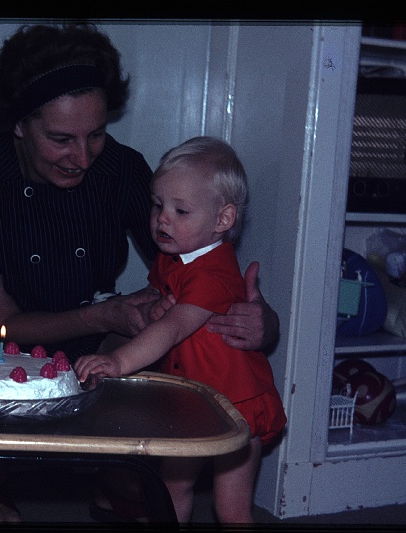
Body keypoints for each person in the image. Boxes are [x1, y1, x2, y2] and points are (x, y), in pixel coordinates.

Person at [0, 23, 280, 523]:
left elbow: (202, 256)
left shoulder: (121, 170)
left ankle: (115, 477)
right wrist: (108, 314)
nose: (82, 156)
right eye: (61, 139)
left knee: (168, 346)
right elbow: (3, 322)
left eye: (95, 135)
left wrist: (261, 320)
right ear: (20, 125)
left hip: (96, 335)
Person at [74, 136, 287, 524]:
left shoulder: (215, 273)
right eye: (158, 205)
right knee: (171, 492)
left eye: (181, 210)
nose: (162, 219)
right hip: (190, 401)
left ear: (222, 219)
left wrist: (118, 361)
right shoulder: (173, 255)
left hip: (234, 405)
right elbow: (161, 297)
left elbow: (172, 329)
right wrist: (156, 305)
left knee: (232, 508)